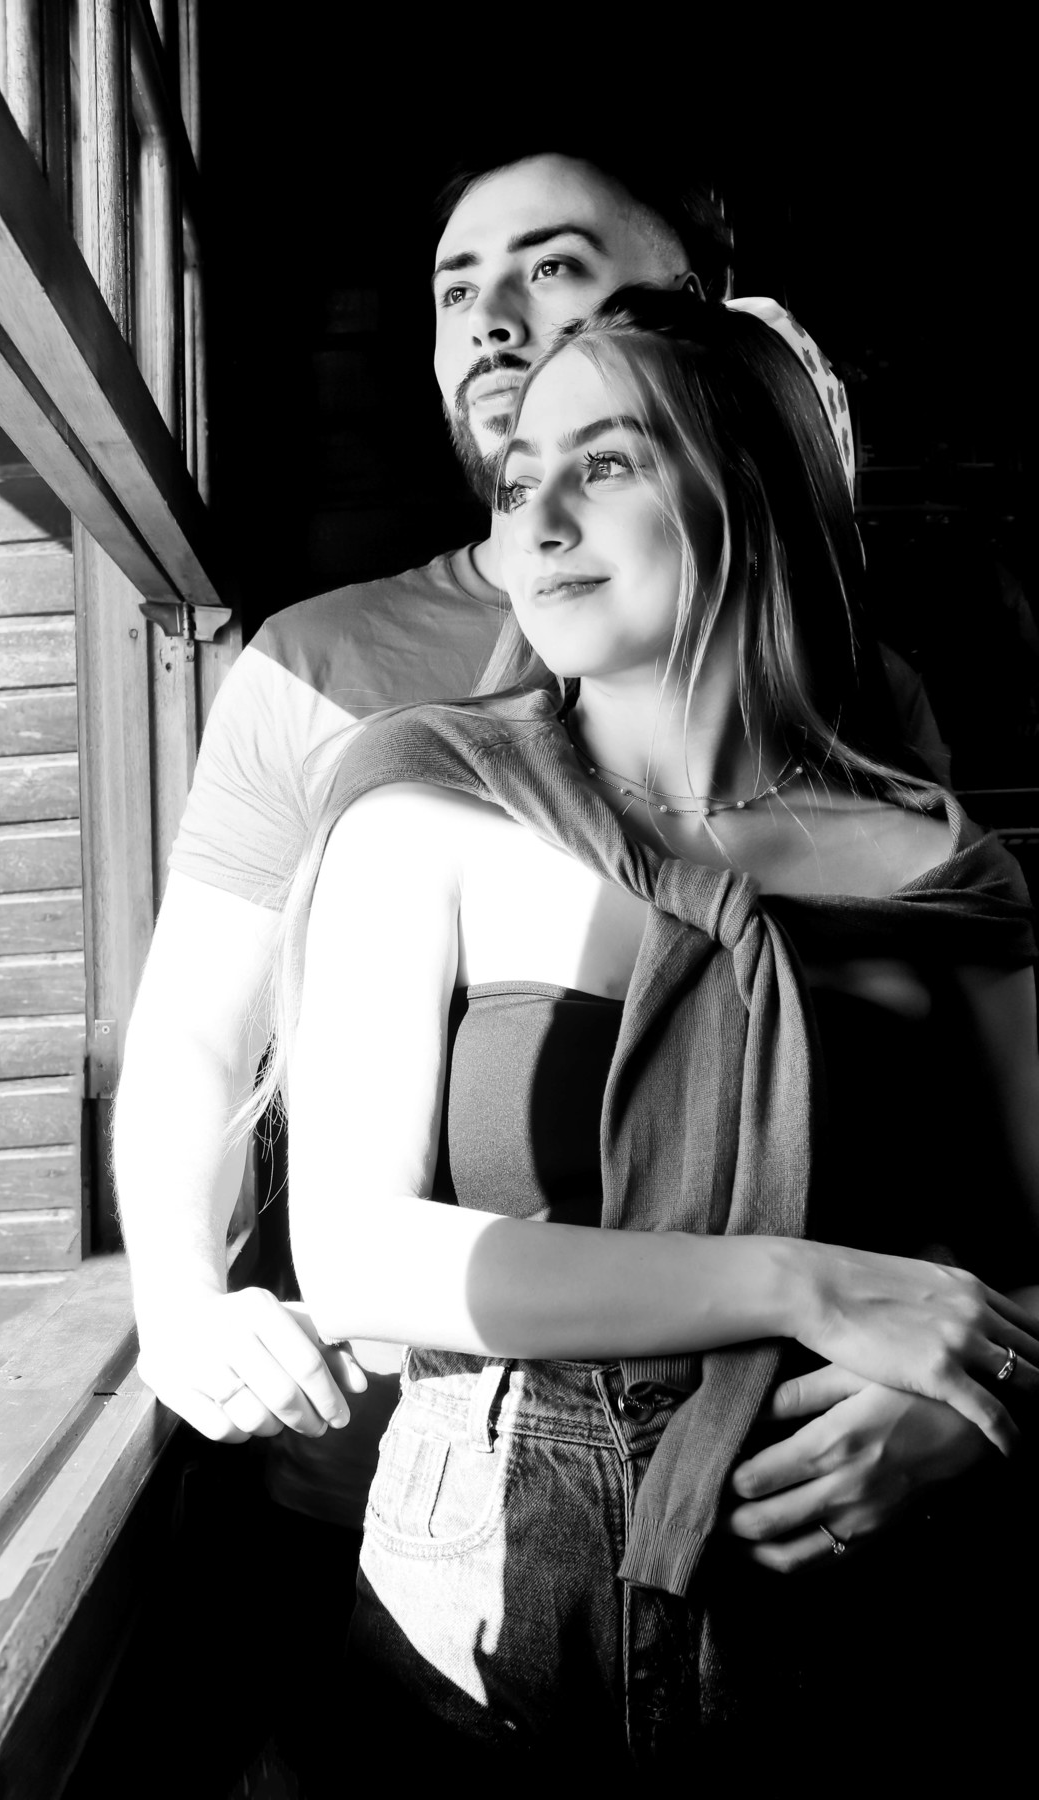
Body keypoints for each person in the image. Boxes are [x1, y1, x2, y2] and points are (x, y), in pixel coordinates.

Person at [116, 150, 968, 1587]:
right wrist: (181, 1299)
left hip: (802, 1508)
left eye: (553, 266)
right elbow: (202, 1033)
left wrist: (961, 1380)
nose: (494, 320)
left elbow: (935, 1104)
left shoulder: (851, 690)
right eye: (457, 291)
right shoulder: (323, 671)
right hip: (410, 1497)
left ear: (691, 312)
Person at [277, 289, 1038, 1784]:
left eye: (608, 462)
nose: (539, 521)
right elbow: (357, 1255)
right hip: (479, 1625)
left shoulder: (940, 871)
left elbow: (1028, 1253)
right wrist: (808, 1283)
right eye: (519, 482)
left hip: (870, 1619)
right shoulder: (429, 812)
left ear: (751, 487)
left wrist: (981, 1397)